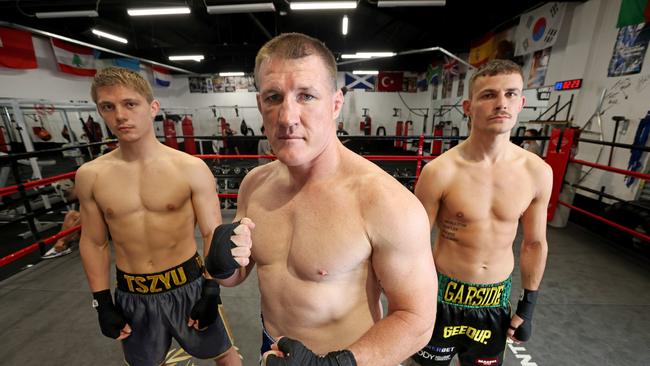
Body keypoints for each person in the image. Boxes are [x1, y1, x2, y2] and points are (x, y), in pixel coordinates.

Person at [208, 32, 437, 366]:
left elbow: (417, 320)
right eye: (274, 97)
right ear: (260, 104)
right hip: (273, 353)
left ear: (335, 104)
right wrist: (222, 265)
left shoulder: (384, 202)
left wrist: (333, 365)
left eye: (306, 96)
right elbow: (239, 276)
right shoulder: (254, 184)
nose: (287, 117)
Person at [76, 67, 244, 366]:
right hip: (132, 292)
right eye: (108, 107)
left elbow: (212, 235)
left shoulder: (190, 168)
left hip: (189, 284)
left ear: (152, 107)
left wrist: (210, 289)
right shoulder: (91, 176)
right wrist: (101, 302)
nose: (120, 116)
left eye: (130, 104)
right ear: (100, 112)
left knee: (226, 357)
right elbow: (93, 242)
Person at [409, 59, 552, 366]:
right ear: (468, 105)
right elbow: (412, 244)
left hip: (494, 302)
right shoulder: (439, 172)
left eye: (511, 94)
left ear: (522, 102)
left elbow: (534, 244)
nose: (502, 103)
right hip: (441, 297)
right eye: (489, 95)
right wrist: (408, 303)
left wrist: (528, 307)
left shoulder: (537, 172)